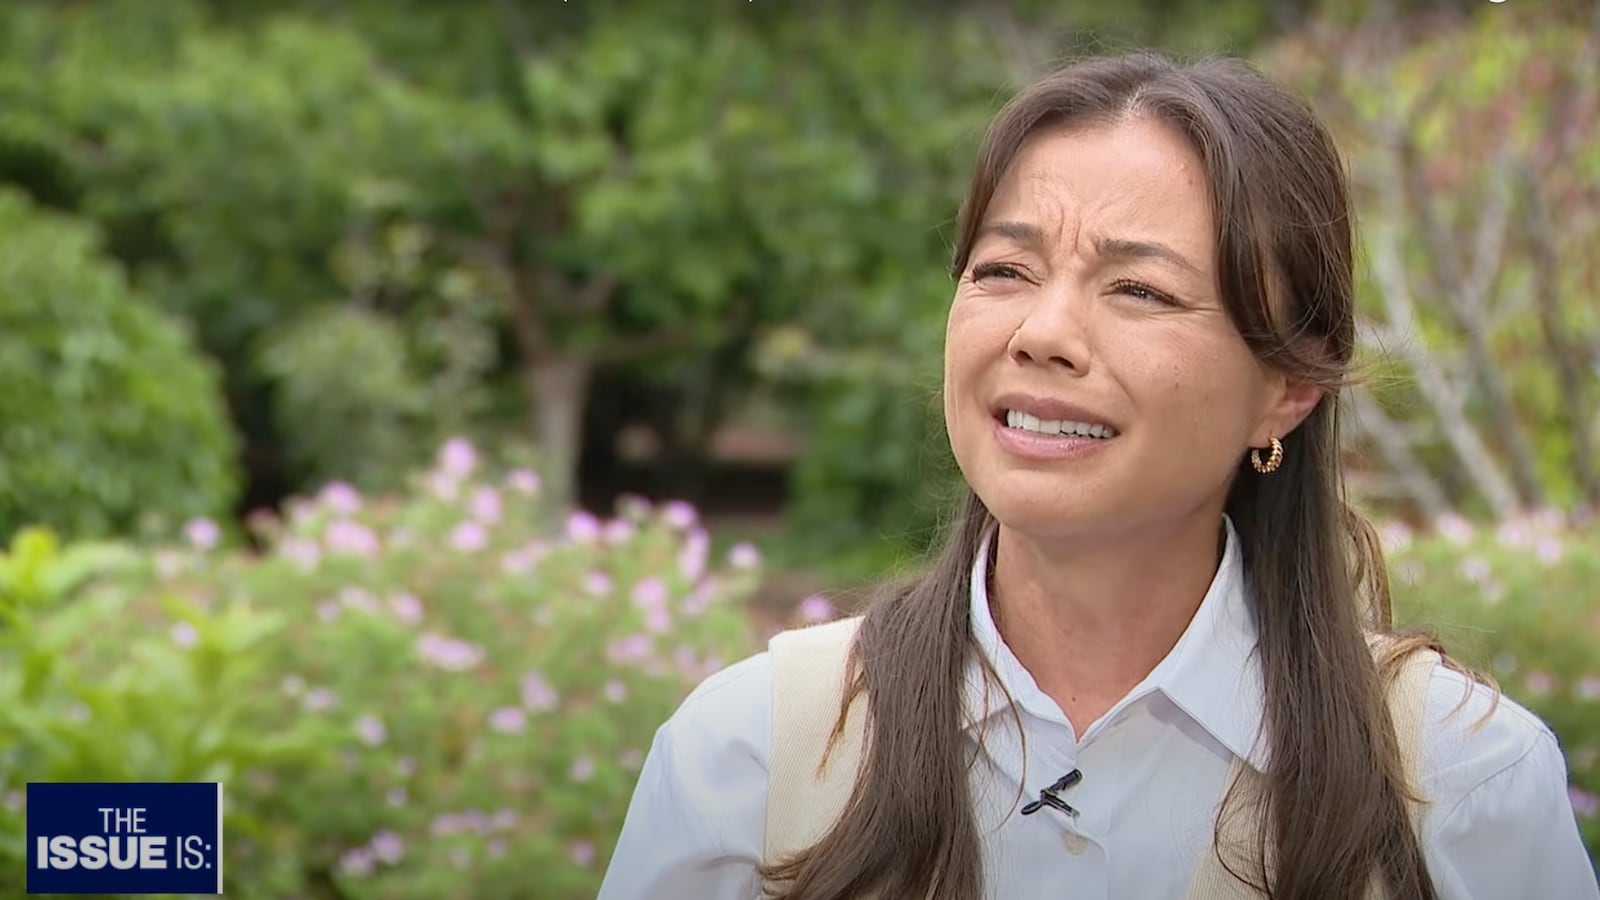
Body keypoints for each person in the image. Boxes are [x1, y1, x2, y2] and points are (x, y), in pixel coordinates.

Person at [595, 51, 1600, 900]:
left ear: (1286, 387)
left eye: (1137, 288)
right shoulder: (754, 756)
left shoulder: (1460, 785)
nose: (1043, 334)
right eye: (1004, 270)